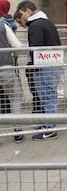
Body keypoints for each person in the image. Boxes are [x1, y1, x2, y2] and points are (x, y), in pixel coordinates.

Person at [15, 1, 63, 140]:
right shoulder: (47, 22)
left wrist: (34, 67)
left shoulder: (35, 26)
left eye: (22, 13)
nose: (22, 18)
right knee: (50, 96)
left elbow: (36, 48)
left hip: (44, 67)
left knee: (47, 97)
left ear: (27, 10)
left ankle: (50, 129)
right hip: (53, 64)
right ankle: (49, 126)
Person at [0, 15, 25, 143]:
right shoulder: (3, 25)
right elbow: (16, 45)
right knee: (15, 97)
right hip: (5, 67)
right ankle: (18, 131)